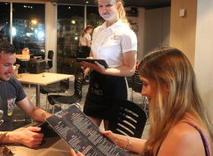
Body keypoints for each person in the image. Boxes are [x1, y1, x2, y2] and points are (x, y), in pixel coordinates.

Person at [72, 47, 213, 156]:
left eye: (145, 84)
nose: (142, 92)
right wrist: (117, 139)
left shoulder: (183, 135)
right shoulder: (184, 119)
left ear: (168, 85)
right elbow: (157, 146)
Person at [79, 0, 137, 129]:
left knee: (111, 137)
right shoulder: (98, 31)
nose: (104, 9)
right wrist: (88, 65)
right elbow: (94, 55)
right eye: (101, 6)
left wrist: (105, 71)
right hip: (96, 84)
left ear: (118, 6)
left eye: (108, 5)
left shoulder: (126, 34)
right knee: (87, 134)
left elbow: (130, 69)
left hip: (115, 86)